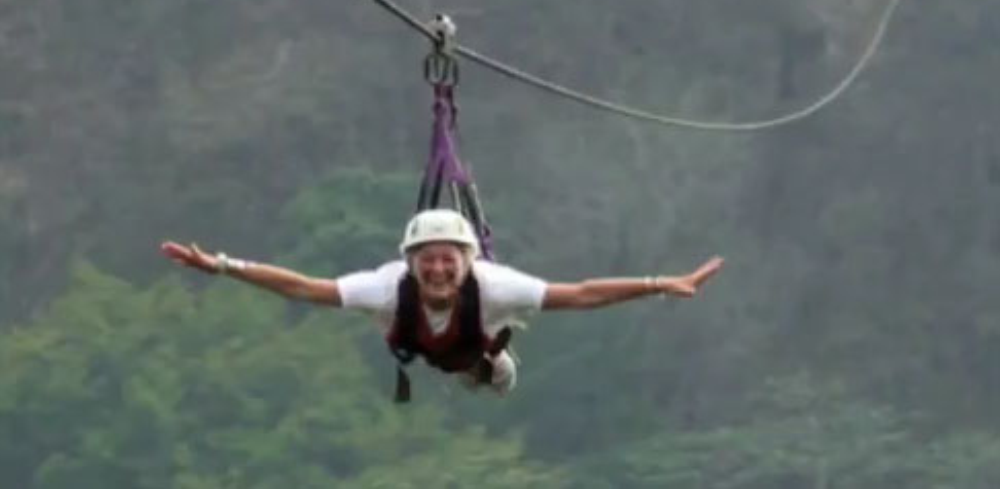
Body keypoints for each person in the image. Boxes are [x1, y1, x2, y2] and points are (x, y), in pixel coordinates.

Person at [161, 209, 724, 398]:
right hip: (418, 344)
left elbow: (578, 295)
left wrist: (657, 283)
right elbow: (305, 288)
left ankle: (492, 367)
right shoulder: (386, 287)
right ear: (409, 262)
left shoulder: (495, 285)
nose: (436, 268)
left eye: (447, 259)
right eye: (425, 259)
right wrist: (223, 266)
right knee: (445, 356)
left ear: (466, 260)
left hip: (478, 348)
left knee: (491, 377)